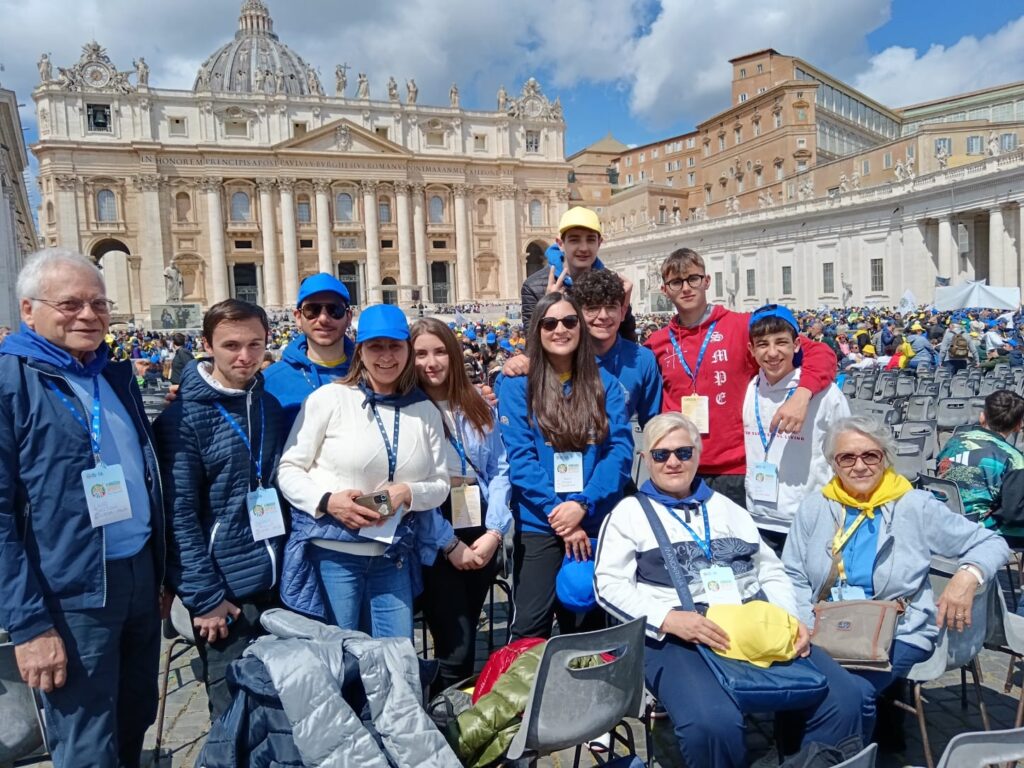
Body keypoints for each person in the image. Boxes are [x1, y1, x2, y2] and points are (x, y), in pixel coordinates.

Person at [594, 413, 865, 768]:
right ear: (645, 460)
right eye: (661, 455)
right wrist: (669, 620)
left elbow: (769, 568)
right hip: (678, 637)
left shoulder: (728, 509)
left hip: (753, 622)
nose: (673, 462)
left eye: (683, 452)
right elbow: (608, 584)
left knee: (845, 698)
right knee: (711, 723)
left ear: (698, 454)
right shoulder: (628, 514)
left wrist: (791, 618)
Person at [0, 249, 163, 768]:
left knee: (135, 718)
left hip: (136, 573)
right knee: (87, 742)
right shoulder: (10, 382)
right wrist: (28, 625)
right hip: (69, 591)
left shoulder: (110, 375)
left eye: (98, 303)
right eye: (70, 304)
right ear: (29, 310)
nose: (88, 315)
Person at [784, 416, 1009, 737]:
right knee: (798, 685)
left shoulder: (913, 505)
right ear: (834, 463)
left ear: (885, 458)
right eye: (847, 457)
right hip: (825, 626)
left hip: (898, 629)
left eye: (870, 455)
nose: (859, 466)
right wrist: (804, 624)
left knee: (850, 696)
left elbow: (991, 542)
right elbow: (793, 573)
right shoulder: (816, 507)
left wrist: (967, 576)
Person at [277, 304, 452, 638]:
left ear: (407, 350)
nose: (386, 356)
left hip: (393, 557)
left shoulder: (424, 410)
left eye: (395, 346)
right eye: (376, 346)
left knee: (395, 659)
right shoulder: (329, 399)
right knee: (340, 661)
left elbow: (440, 483)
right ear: (360, 351)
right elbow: (289, 468)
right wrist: (328, 501)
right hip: (334, 557)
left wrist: (407, 493)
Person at [153, 299, 286, 720]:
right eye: (231, 345)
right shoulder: (182, 420)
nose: (244, 356)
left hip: (276, 582)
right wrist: (205, 597)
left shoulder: (269, 407)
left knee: (279, 711)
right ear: (207, 345)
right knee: (231, 718)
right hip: (224, 594)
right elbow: (179, 518)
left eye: (255, 344)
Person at [644, 248, 838, 506]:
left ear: (707, 281)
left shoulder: (741, 326)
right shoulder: (656, 343)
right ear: (665, 289)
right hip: (680, 466)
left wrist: (802, 395)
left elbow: (820, 352)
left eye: (693, 279)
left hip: (734, 468)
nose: (686, 288)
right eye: (676, 282)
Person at [497, 291, 634, 640]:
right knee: (530, 625)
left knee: (584, 621)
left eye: (570, 321)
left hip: (592, 517)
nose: (560, 329)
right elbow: (521, 459)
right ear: (537, 331)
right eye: (550, 323)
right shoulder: (516, 385)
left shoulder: (605, 385)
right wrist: (559, 514)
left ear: (581, 328)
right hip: (539, 523)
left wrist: (583, 503)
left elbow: (618, 452)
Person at [411, 318, 512, 694]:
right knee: (456, 644)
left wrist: (495, 531)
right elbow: (412, 489)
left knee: (468, 625)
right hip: (435, 531)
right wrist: (448, 545)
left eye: (439, 352)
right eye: (420, 353)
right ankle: (447, 722)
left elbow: (500, 468)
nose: (430, 362)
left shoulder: (475, 402)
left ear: (453, 355)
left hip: (480, 524)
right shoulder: (405, 410)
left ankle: (459, 717)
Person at [742, 304, 850, 554]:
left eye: (781, 342)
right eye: (762, 344)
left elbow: (846, 451)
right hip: (758, 518)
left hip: (810, 519)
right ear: (751, 349)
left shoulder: (825, 394)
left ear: (797, 345)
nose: (772, 353)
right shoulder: (749, 389)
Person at [504, 268, 663, 427]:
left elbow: (653, 424)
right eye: (593, 308)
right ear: (578, 314)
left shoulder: (643, 360)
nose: (603, 316)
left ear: (622, 311)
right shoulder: (562, 356)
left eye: (611, 307)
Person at [520, 206, 636, 341]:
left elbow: (628, 339)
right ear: (560, 244)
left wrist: (624, 308)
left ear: (599, 243)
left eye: (591, 240)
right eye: (575, 240)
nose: (584, 248)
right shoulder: (533, 286)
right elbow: (533, 344)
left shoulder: (610, 282)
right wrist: (547, 306)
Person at [263, 273, 354, 433]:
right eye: (313, 310)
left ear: (348, 317)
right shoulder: (270, 381)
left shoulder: (370, 374)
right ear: (298, 317)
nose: (324, 318)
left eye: (335, 310)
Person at [937, 389, 1024, 544]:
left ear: (982, 416)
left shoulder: (954, 442)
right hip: (981, 530)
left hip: (945, 520)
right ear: (1019, 425)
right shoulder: (1015, 459)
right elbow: (1012, 513)